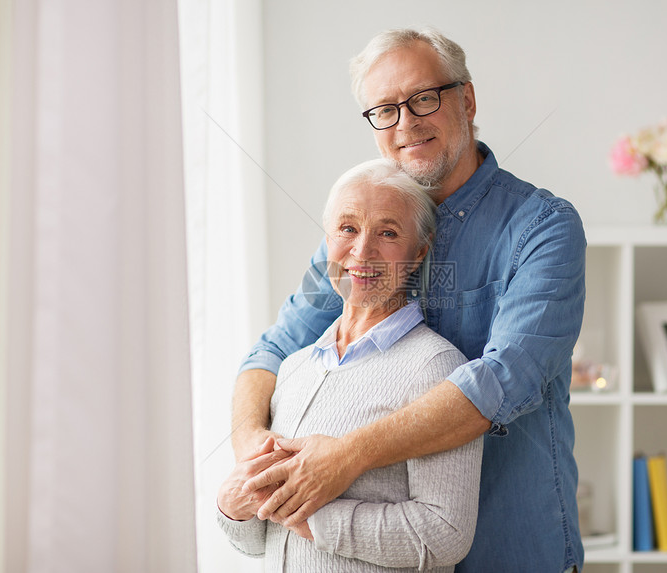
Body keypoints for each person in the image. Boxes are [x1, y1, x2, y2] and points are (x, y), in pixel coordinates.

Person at [230, 27, 586, 572]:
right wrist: (252, 449)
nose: (406, 123)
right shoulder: (361, 236)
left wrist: (345, 457)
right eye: (384, 110)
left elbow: (500, 380)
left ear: (466, 100)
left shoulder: (542, 228)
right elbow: (272, 353)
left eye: (423, 98)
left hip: (510, 548)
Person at [217, 158, 483, 571]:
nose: (362, 251)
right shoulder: (294, 369)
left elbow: (445, 534)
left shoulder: (435, 367)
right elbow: (255, 542)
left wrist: (311, 516)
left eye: (388, 233)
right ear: (328, 241)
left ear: (418, 253)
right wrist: (230, 506)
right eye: (347, 229)